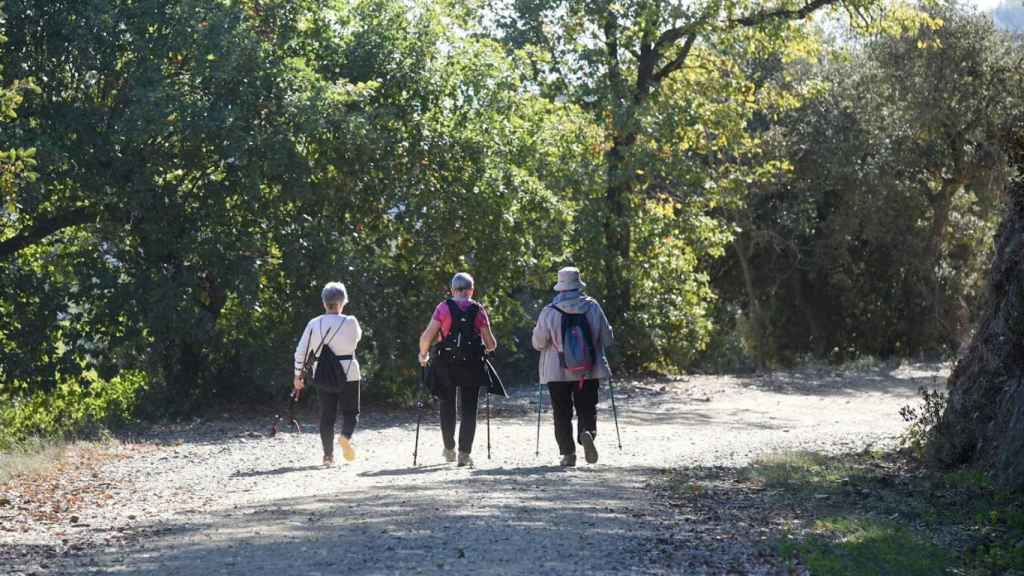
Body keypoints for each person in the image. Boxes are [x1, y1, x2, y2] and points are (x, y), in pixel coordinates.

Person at [531, 267, 613, 467]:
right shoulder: (593, 307)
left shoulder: (549, 311)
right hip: (589, 369)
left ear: (560, 287)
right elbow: (608, 338)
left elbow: (538, 343)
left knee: (561, 412)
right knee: (587, 407)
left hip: (557, 372)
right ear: (579, 284)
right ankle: (587, 432)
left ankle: (568, 454)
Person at [418, 272, 497, 467]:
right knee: (469, 408)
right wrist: (483, 347)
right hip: (472, 364)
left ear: (453, 290)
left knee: (447, 405)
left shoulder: (443, 308)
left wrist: (423, 354)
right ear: (472, 290)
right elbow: (491, 343)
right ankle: (464, 453)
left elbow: (427, 336)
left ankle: (449, 449)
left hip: (445, 363)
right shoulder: (478, 310)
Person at [293, 282, 363, 466]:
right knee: (351, 412)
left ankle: (328, 456)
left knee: (327, 416)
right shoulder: (351, 321)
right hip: (349, 371)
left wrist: (297, 375)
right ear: (343, 302)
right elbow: (357, 339)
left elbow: (301, 352)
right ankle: (345, 438)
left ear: (324, 303)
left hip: (322, 373)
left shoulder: (314, 324)